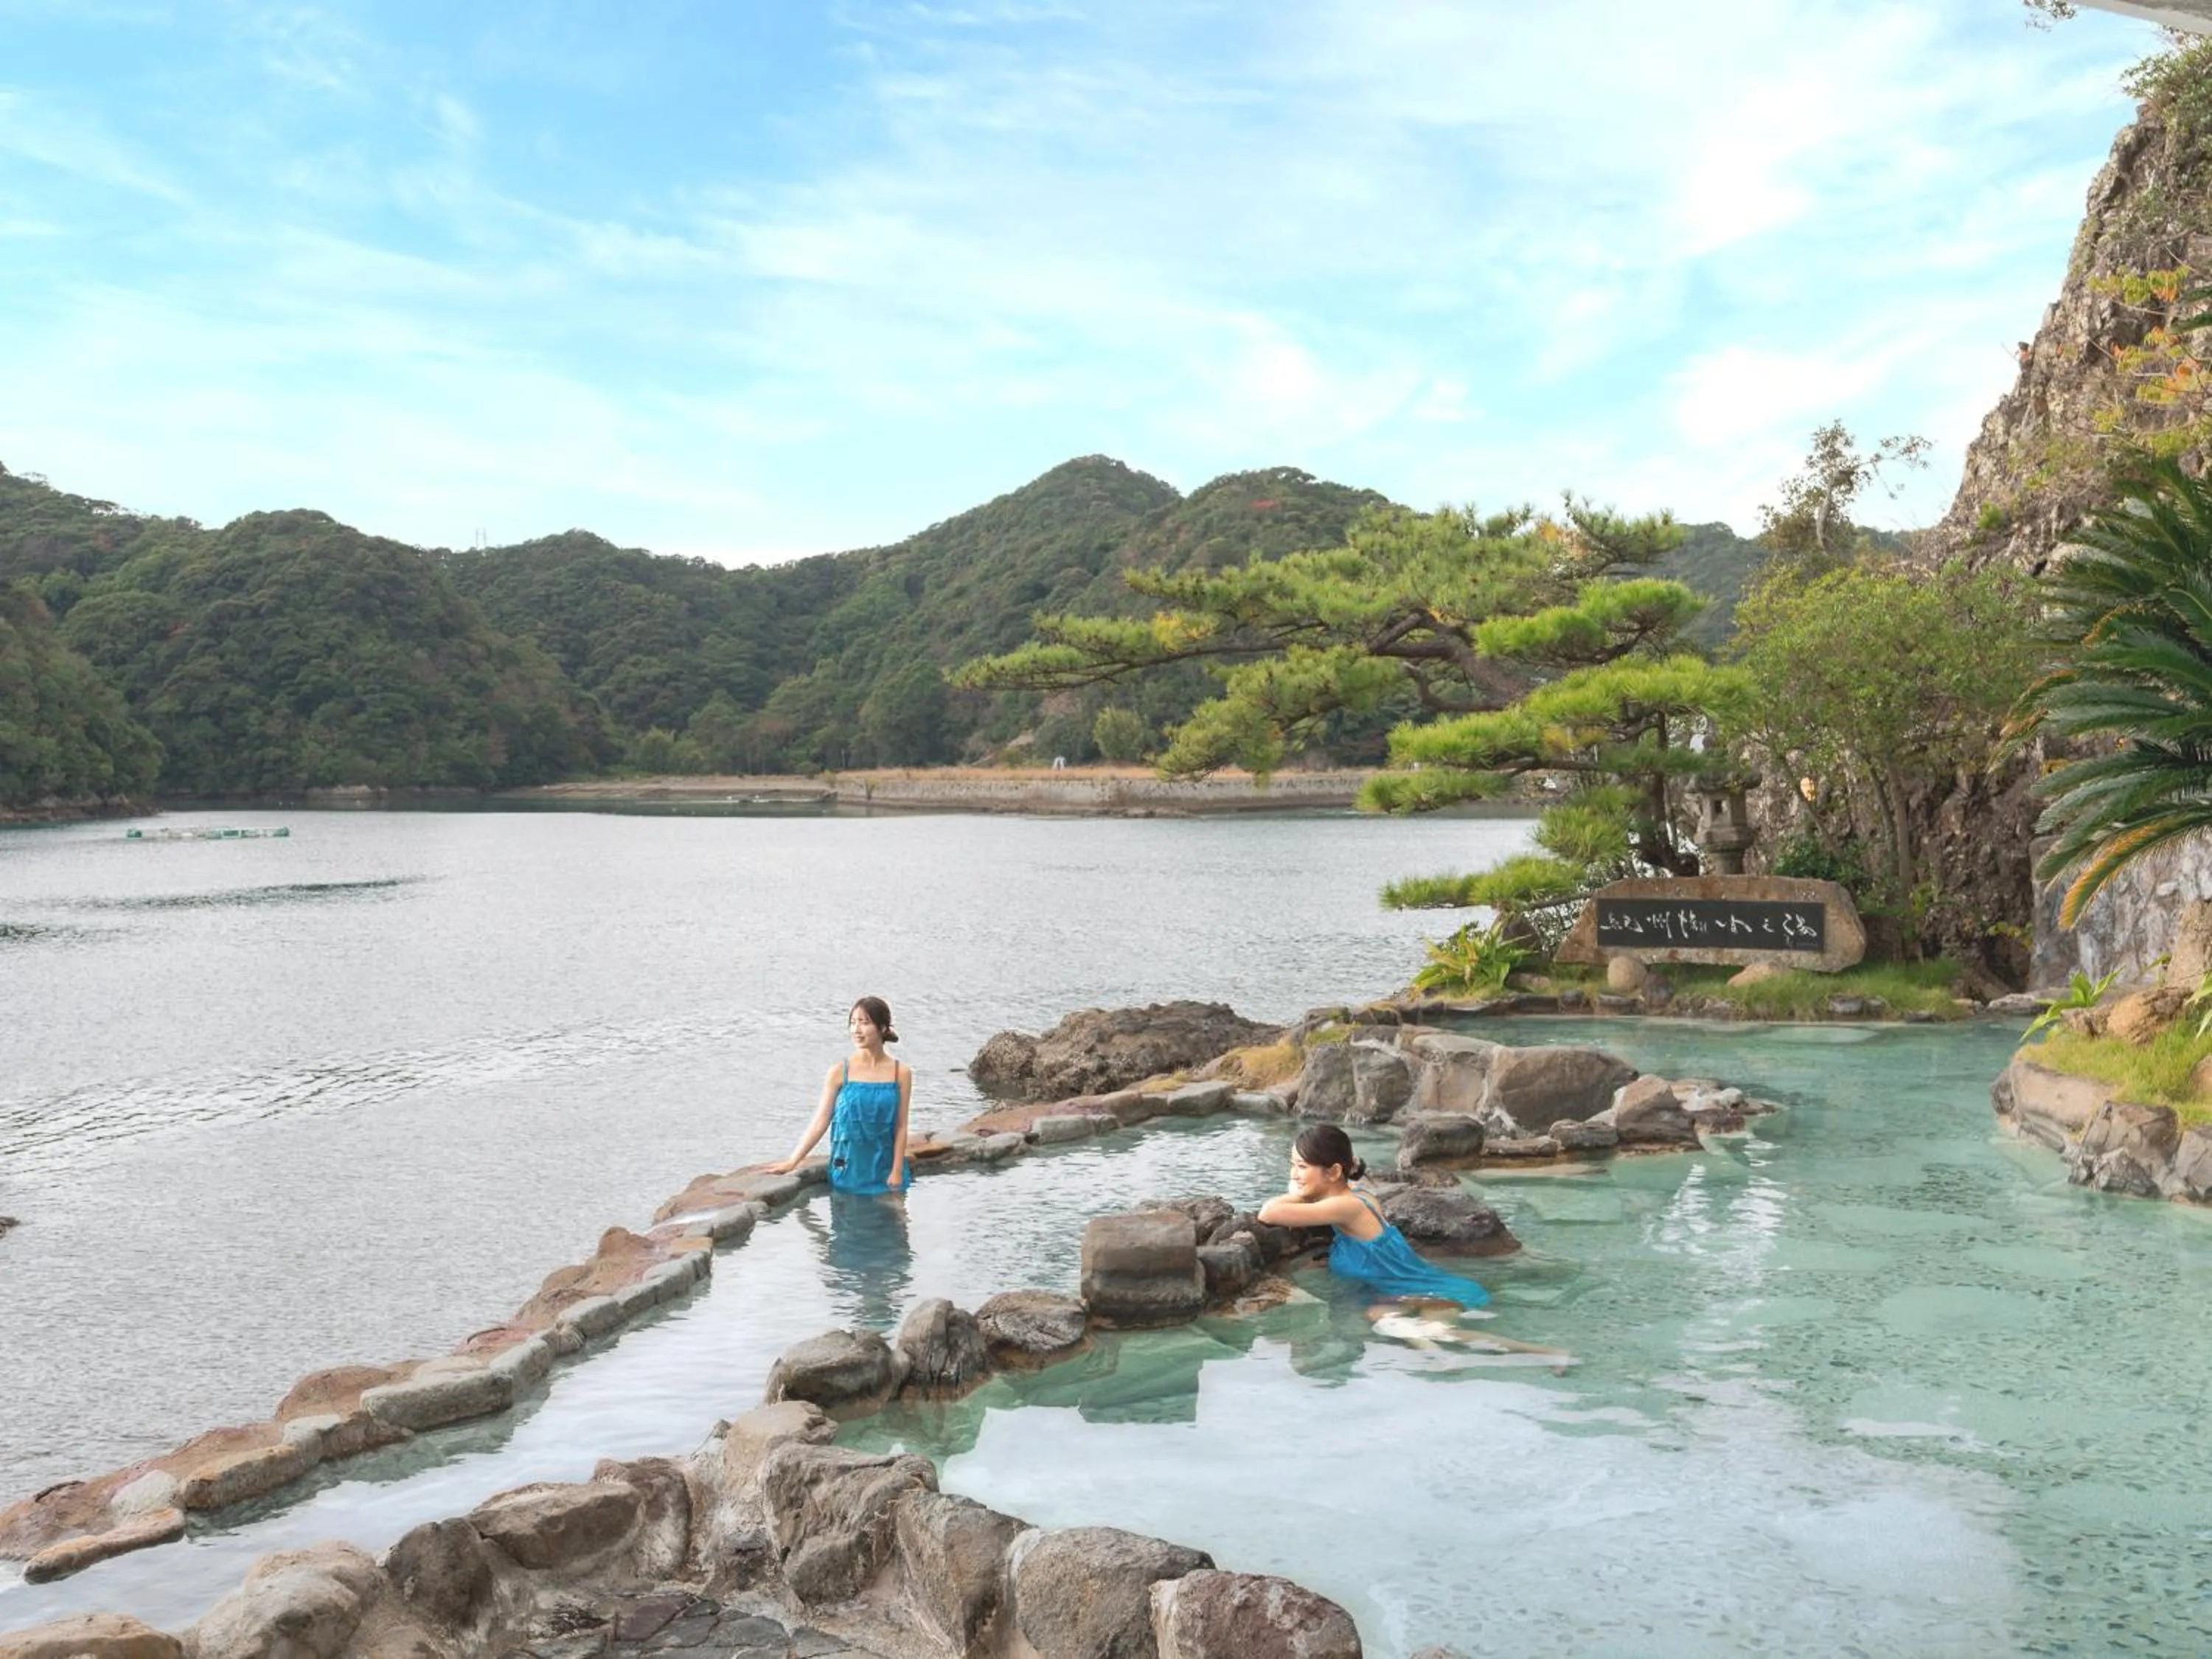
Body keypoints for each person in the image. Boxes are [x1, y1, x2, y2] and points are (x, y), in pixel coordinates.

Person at [1256, 1123, 1489, 1309]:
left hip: (1435, 1293)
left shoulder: (1347, 1207)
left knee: (1422, 1335)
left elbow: (1269, 1213)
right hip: (1417, 1291)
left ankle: (1525, 1352)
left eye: (1302, 1167)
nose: (1294, 1174)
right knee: (1382, 1317)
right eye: (1292, 1165)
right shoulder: (1361, 1196)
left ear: (1335, 1171)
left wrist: (1298, 1194)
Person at [765, 996, 912, 1194]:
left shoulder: (900, 1073)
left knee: (894, 1221)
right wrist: (793, 1161)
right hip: (849, 1169)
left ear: (883, 1028)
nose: (856, 1030)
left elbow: (901, 1126)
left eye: (865, 1022)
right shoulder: (839, 1071)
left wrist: (896, 1172)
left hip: (886, 1170)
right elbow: (821, 1121)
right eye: (853, 1023)